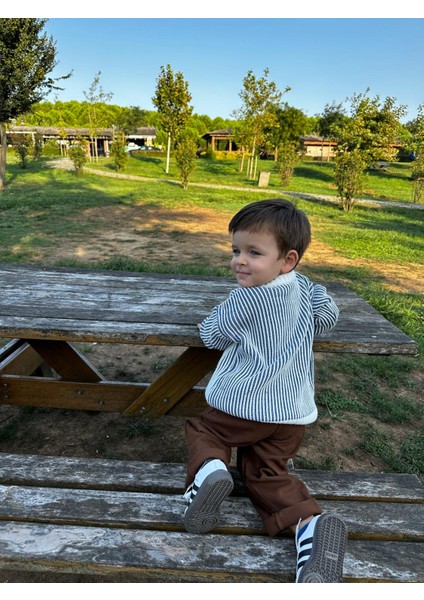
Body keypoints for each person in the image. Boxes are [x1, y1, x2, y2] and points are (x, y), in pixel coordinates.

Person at [183, 198, 347, 583]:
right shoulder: (304, 290)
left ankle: (208, 473)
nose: (240, 261)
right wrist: (317, 293)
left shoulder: (246, 299)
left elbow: (212, 335)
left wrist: (214, 318)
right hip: (290, 416)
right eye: (236, 250)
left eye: (253, 253)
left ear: (286, 260)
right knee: (266, 471)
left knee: (204, 431)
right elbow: (328, 316)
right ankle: (310, 525)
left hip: (242, 406)